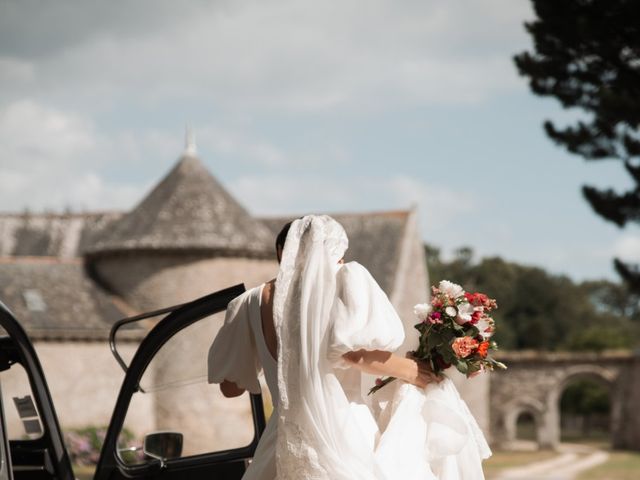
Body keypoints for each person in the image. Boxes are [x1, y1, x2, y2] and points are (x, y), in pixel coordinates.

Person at [208, 215, 490, 479]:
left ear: (283, 251)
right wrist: (416, 371)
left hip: (280, 439)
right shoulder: (346, 279)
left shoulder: (246, 304)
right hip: (347, 433)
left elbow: (229, 387)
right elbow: (356, 355)